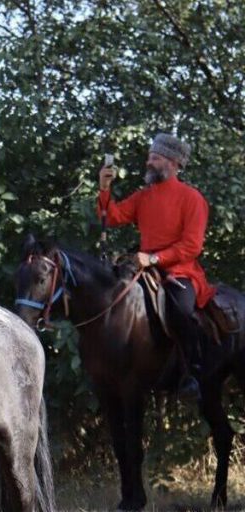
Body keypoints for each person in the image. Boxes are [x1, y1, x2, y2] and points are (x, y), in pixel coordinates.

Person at [98, 133, 213, 400]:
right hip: (143, 268)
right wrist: (104, 189)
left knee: (182, 311)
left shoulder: (192, 198)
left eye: (156, 158)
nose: (149, 162)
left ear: (173, 164)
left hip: (180, 271)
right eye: (149, 157)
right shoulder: (143, 196)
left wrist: (154, 259)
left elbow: (192, 246)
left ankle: (191, 373)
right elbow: (112, 217)